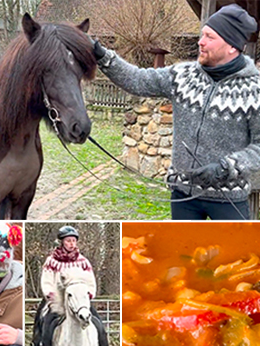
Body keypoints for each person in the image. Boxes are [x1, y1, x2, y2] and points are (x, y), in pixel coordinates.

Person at [92, 5, 260, 220]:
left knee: (233, 254)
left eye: (210, 37)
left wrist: (227, 167)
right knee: (182, 253)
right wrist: (101, 54)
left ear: (231, 46)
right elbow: (137, 80)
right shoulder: (183, 76)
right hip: (183, 196)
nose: (201, 41)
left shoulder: (255, 90)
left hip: (229, 200)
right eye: (202, 35)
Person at [30, 226, 119, 346]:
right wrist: (51, 295)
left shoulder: (83, 261)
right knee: (47, 329)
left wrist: (88, 296)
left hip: (79, 301)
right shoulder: (52, 261)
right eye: (68, 241)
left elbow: (91, 282)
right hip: (57, 300)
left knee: (100, 328)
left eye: (73, 241)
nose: (71, 244)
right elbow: (46, 281)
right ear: (62, 242)